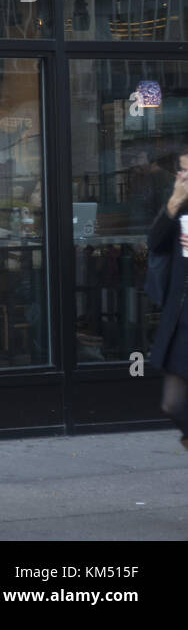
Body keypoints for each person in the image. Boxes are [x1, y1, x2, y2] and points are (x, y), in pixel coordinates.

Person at [146, 150, 188, 451]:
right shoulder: (181, 206)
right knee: (172, 404)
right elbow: (155, 243)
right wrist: (172, 204)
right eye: (180, 171)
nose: (181, 177)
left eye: (187, 171)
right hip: (182, 321)